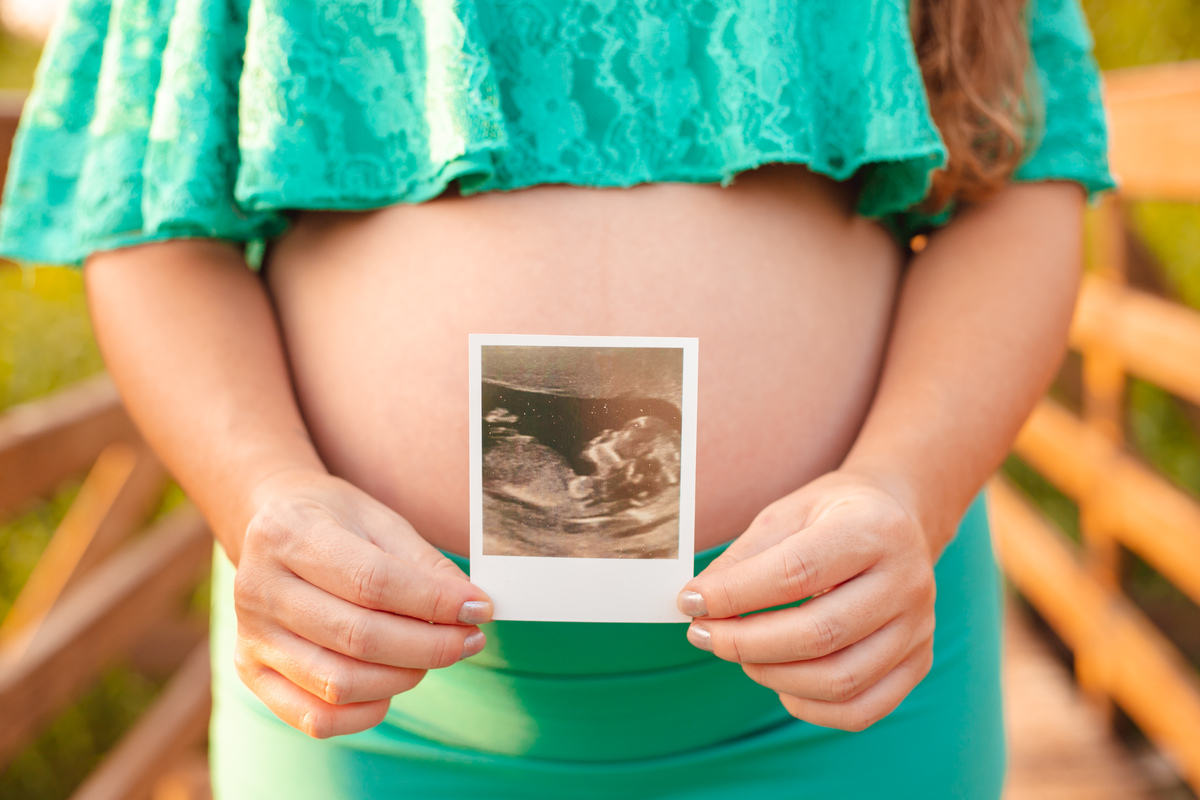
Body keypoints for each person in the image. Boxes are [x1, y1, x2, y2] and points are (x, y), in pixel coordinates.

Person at [0, 0, 1114, 796]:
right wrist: (261, 491)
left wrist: (907, 489)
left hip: (839, 679)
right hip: (372, 701)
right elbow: (142, 200)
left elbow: (1026, 164)